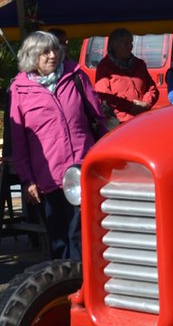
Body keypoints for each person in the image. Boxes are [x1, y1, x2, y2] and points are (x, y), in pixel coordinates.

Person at [9, 30, 107, 260]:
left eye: (55, 49)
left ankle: (87, 287)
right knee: (59, 239)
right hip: (48, 176)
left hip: (82, 167)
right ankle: (66, 289)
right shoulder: (19, 89)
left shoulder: (75, 76)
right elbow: (19, 141)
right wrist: (27, 180)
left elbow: (98, 119)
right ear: (32, 57)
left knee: (82, 234)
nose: (53, 55)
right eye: (45, 52)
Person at [94, 28, 159, 124]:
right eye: (126, 43)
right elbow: (104, 95)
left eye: (131, 42)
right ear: (114, 46)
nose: (130, 46)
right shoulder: (104, 67)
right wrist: (130, 107)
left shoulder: (139, 64)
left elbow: (152, 89)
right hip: (119, 122)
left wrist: (145, 104)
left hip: (142, 118)